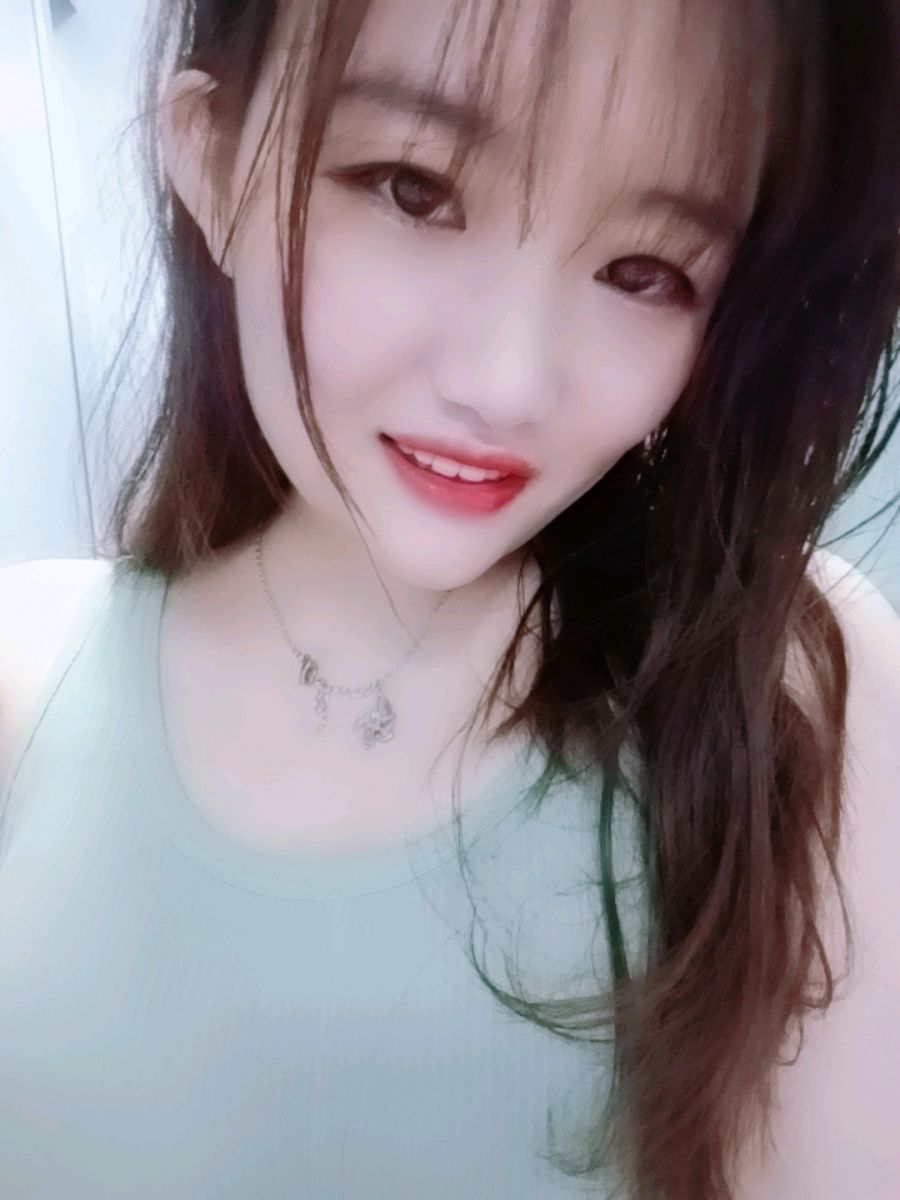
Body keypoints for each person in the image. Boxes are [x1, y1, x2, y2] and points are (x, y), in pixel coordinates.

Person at [1, 0, 898, 1197]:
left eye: (644, 273)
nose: (506, 381)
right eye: (412, 191)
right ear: (212, 158)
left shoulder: (788, 700)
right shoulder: (29, 687)